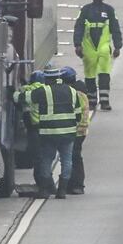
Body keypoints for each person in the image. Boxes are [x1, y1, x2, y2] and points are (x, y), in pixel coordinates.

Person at [31, 67, 81, 199]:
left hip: (48, 133)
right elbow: (78, 115)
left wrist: (12, 93)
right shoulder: (72, 91)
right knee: (66, 160)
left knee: (47, 159)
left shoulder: (43, 91)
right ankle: (62, 190)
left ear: (46, 79)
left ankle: (44, 189)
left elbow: (24, 98)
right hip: (68, 133)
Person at [73, 0, 122, 111]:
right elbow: (78, 27)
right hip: (88, 46)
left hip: (103, 46)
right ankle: (92, 100)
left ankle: (104, 100)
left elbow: (115, 28)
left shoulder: (109, 10)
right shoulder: (85, 10)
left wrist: (117, 46)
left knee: (104, 72)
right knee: (89, 75)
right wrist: (77, 44)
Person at [61, 67, 90, 195]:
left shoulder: (74, 94)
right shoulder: (80, 92)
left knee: (74, 157)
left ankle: (76, 184)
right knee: (74, 156)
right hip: (81, 130)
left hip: (76, 131)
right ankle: (74, 184)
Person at [13, 70, 45, 187]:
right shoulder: (47, 90)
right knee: (44, 157)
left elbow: (16, 97)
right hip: (45, 128)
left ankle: (42, 183)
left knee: (37, 157)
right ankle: (46, 182)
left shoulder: (27, 90)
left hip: (33, 128)